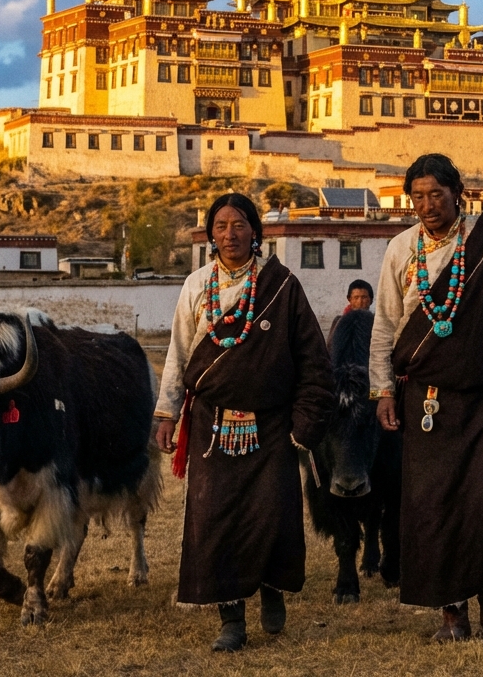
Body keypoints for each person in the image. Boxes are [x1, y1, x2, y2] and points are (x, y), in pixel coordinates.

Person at [369, 153, 483, 641]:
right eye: (418, 197)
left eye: (437, 194)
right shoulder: (400, 250)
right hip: (425, 406)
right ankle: (452, 611)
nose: (428, 206)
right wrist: (383, 389)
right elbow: (386, 325)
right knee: (432, 508)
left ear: (458, 195)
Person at [154, 193, 335, 651]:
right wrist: (166, 412)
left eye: (239, 224)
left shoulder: (281, 285)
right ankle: (230, 619)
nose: (229, 234)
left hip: (271, 427)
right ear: (210, 234)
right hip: (213, 427)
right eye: (220, 226)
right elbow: (178, 354)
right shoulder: (197, 286)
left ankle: (271, 589)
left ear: (256, 231)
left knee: (272, 513)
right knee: (214, 517)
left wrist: (304, 423)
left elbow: (313, 361)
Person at [327, 279, 374, 344]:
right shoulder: (339, 321)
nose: (360, 302)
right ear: (349, 299)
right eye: (356, 298)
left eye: (364, 297)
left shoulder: (376, 323)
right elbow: (331, 346)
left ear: (371, 300)